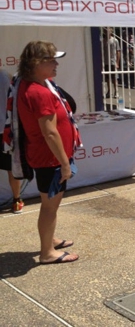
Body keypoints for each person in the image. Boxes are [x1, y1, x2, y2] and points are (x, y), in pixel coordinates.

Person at [16, 41, 81, 264]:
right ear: (36, 63)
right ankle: (47, 253)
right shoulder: (39, 93)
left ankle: (49, 239)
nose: (56, 64)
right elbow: (50, 133)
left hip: (45, 156)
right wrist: (64, 163)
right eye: (51, 60)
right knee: (50, 207)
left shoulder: (33, 85)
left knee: (50, 205)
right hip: (50, 159)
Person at [0, 69, 23, 213]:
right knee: (11, 167)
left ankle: (17, 200)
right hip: (6, 128)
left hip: (6, 129)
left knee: (11, 167)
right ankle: (17, 200)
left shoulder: (7, 75)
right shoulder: (7, 75)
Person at [103, 27, 121, 99]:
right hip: (106, 62)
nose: (106, 30)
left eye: (108, 29)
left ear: (111, 30)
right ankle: (109, 91)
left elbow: (118, 51)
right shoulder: (103, 40)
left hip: (113, 62)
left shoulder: (115, 40)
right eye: (105, 29)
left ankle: (116, 92)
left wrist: (117, 62)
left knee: (114, 78)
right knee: (107, 78)